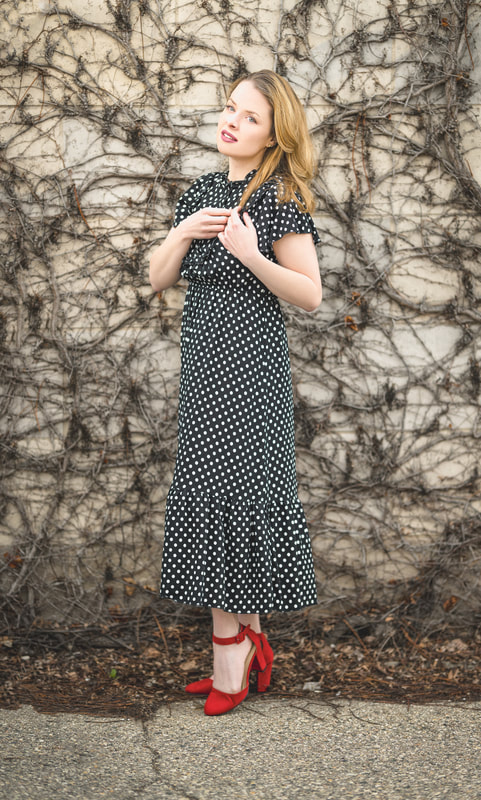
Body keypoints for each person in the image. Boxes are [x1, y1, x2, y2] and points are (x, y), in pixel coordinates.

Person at [149, 69, 322, 716]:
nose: (232, 122)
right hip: (204, 371)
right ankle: (246, 642)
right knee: (215, 498)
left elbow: (309, 294)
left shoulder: (277, 197)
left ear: (274, 133)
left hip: (250, 379)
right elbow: (158, 280)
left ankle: (232, 665)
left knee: (240, 498)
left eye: (249, 117)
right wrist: (180, 231)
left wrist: (249, 252)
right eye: (229, 109)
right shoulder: (200, 191)